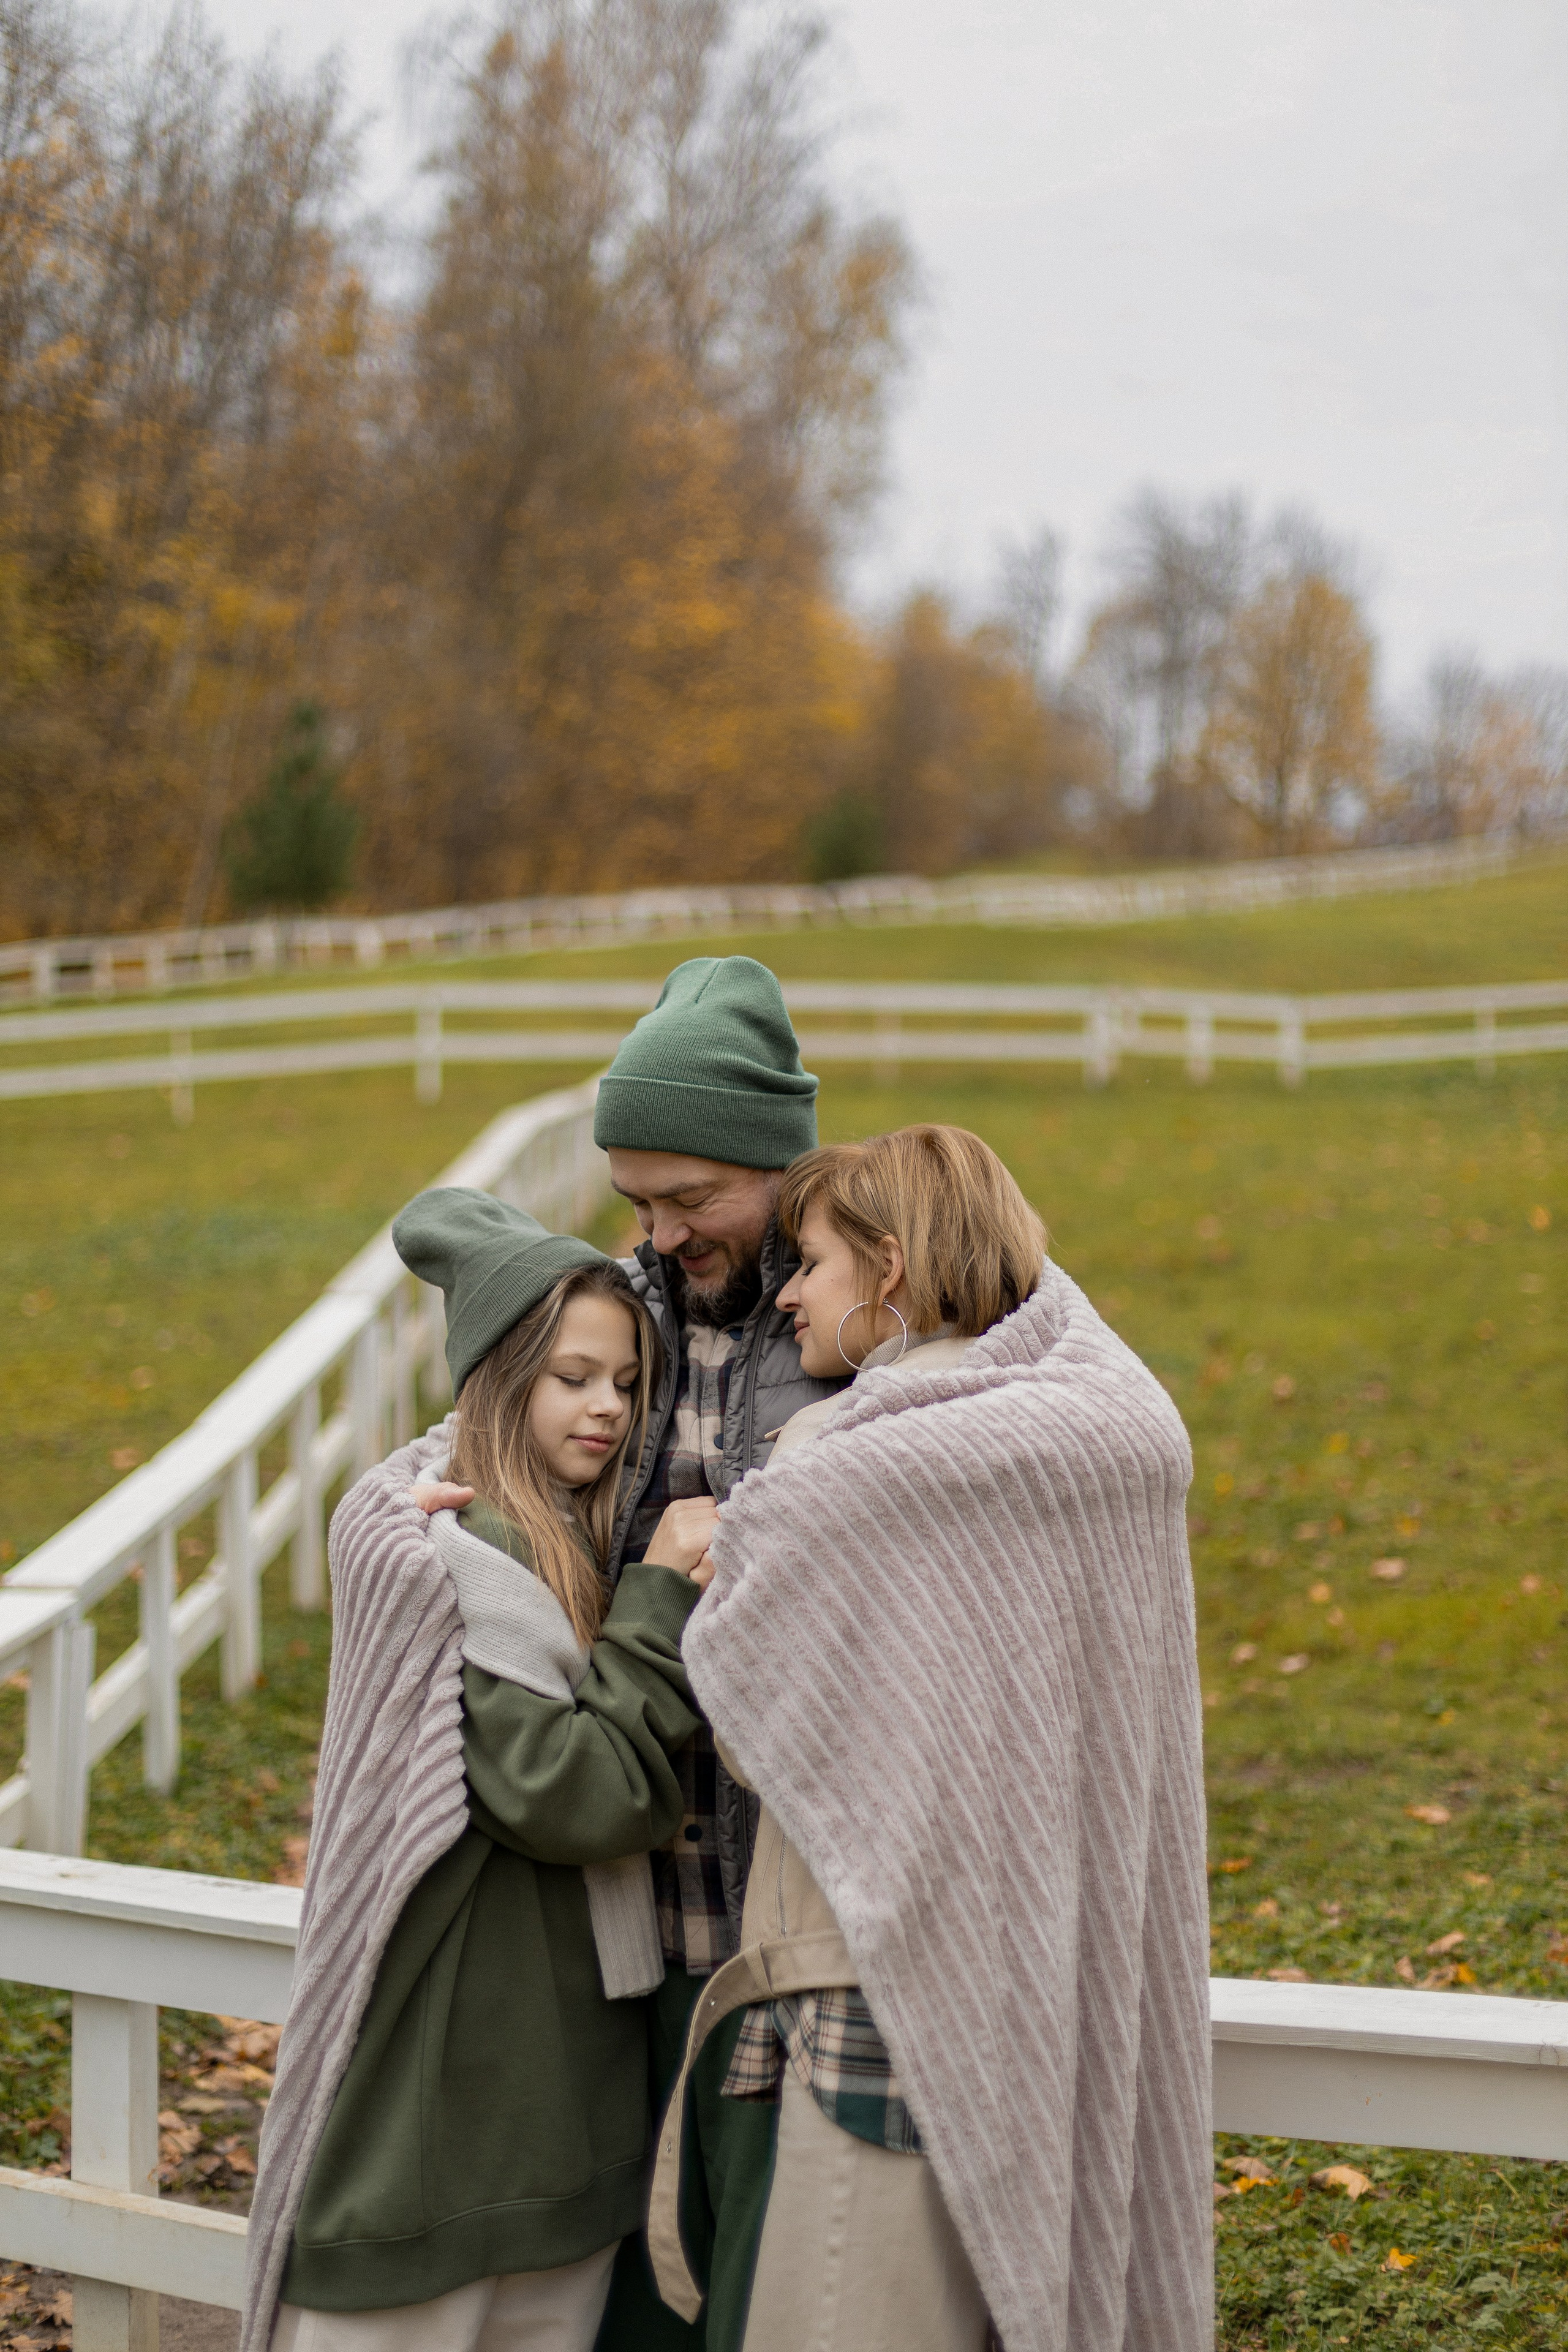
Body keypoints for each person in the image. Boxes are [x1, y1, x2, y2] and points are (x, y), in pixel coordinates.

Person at [655, 1125, 1215, 2352]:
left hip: (884, 2008)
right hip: (1055, 1988)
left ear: (891, 1270)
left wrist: (693, 1570)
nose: (788, 1293)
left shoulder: (843, 1467)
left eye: (808, 1263)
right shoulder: (1105, 1429)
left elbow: (765, 1738)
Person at [413, 955, 849, 2350]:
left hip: (790, 1922)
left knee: (775, 2293)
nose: (656, 1234)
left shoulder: (856, 1330)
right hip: (625, 1920)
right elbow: (488, 1430)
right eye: (634, 1201)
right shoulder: (624, 1323)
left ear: (774, 1164)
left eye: (690, 1197)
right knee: (633, 2305)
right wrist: (390, 1509)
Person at [241, 1194, 721, 2352]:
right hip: (457, 2088)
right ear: (502, 1383)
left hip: (541, 2089)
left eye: (625, 1382)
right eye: (572, 1377)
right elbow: (576, 1794)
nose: (608, 1406)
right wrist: (657, 1604)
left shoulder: (556, 1537)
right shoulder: (472, 1549)